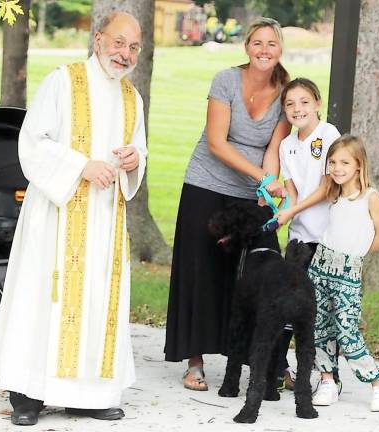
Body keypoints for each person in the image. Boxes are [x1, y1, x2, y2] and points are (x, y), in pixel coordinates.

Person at [0, 11, 147, 426]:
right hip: (56, 218)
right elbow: (32, 141)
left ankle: (88, 394)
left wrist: (133, 160)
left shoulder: (133, 99)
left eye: (133, 46)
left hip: (106, 219)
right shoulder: (63, 80)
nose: (124, 53)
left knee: (96, 300)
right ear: (97, 40)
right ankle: (28, 394)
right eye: (118, 42)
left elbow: (138, 152)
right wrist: (80, 167)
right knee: (45, 298)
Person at [164, 17, 290, 391]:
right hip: (206, 181)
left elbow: (273, 150)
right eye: (258, 43)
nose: (264, 50)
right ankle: (195, 362)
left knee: (265, 275)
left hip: (251, 191)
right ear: (246, 47)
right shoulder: (225, 80)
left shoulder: (285, 90)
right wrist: (262, 177)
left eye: (272, 43)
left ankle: (269, 362)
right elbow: (217, 143)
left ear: (280, 49)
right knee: (200, 267)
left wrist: (265, 193)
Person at [307, 135, 379, 411]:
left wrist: (353, 256)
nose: (337, 168)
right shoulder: (334, 193)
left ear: (359, 165)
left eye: (344, 162)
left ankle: (377, 384)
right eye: (332, 162)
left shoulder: (370, 196)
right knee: (319, 327)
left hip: (347, 272)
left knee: (346, 330)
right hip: (320, 268)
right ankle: (328, 381)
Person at [273, 78, 340, 390]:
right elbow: (292, 191)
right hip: (299, 240)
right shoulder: (287, 145)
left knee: (322, 307)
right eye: (290, 104)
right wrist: (282, 213)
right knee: (290, 304)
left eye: (303, 101)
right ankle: (280, 367)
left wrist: (293, 210)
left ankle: (328, 375)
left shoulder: (328, 135)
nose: (297, 109)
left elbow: (328, 187)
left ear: (317, 103)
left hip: (326, 238)